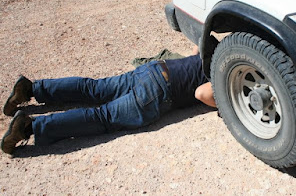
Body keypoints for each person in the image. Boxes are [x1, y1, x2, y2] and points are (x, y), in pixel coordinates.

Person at [1, 48, 216, 155]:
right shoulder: (229, 72)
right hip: (158, 93)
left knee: (93, 88)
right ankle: (30, 127)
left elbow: (197, 49)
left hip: (154, 70)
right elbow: (201, 94)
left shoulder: (221, 46)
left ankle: (32, 88)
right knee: (102, 117)